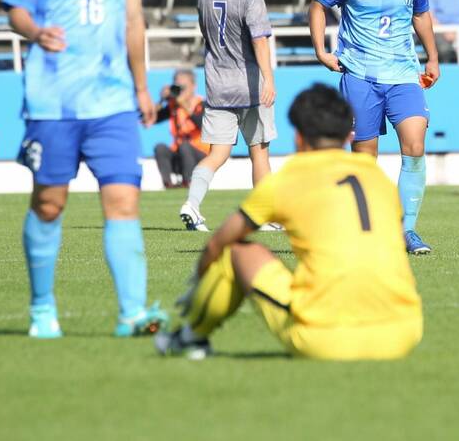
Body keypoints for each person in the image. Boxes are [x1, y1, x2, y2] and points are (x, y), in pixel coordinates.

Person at [1, 0, 167, 339]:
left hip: (113, 101)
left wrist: (142, 87)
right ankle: (41, 309)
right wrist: (34, 31)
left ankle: (133, 313)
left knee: (124, 202)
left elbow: (133, 22)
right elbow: (16, 9)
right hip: (54, 101)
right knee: (50, 204)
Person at [155, 84, 423, 361]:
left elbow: (220, 241)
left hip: (327, 339)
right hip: (404, 334)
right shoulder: (378, 178)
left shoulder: (289, 178)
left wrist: (199, 281)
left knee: (236, 251)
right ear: (347, 136)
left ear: (298, 137)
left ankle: (189, 337)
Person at [309, 0, 440, 254]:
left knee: (415, 145)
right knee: (365, 159)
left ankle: (406, 231)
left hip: (402, 73)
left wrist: (433, 56)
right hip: (361, 76)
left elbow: (421, 14)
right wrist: (322, 50)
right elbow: (319, 5)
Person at [178, 0, 278, 233]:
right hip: (249, 86)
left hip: (217, 86)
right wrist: (269, 79)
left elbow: (207, 35)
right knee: (259, 152)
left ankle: (192, 204)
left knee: (216, 155)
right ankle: (262, 217)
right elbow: (260, 41)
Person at [152, 69, 208, 188]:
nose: (180, 91)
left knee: (185, 146)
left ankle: (188, 183)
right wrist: (162, 100)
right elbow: (151, 119)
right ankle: (168, 184)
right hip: (180, 155)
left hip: (201, 156)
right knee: (160, 148)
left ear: (193, 86)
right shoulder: (173, 106)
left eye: (183, 87)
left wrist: (185, 105)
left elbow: (203, 126)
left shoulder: (202, 103)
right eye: (177, 87)